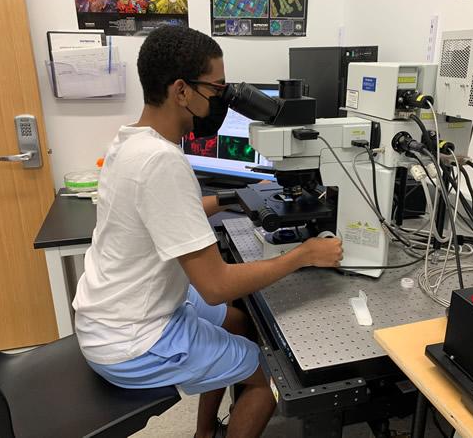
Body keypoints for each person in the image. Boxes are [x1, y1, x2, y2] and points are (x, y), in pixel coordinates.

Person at [72, 25, 343, 438]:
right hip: (132, 342)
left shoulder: (130, 143)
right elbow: (215, 285)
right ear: (181, 90)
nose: (222, 101)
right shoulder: (162, 162)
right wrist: (304, 254)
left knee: (237, 322)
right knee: (266, 378)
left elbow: (163, 216)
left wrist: (232, 200)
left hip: (109, 316)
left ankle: (204, 434)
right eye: (217, 90)